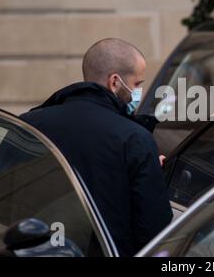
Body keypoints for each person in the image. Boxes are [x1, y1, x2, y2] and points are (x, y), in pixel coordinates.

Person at [19, 38, 173, 256]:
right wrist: (149, 171)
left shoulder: (30, 123)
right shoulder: (134, 139)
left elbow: (3, 200)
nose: (139, 91)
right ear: (115, 82)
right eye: (138, 84)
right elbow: (154, 232)